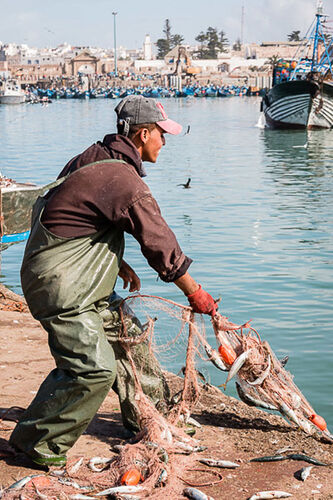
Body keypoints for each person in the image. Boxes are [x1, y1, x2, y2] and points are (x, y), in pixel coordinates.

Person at [9, 95, 217, 467]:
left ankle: (151, 423)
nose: (164, 143)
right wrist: (196, 292)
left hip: (78, 278)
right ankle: (33, 445)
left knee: (129, 337)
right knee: (93, 369)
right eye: (161, 135)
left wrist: (114, 261)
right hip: (62, 289)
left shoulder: (93, 156)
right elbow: (162, 246)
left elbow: (73, 217)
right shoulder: (124, 180)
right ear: (141, 134)